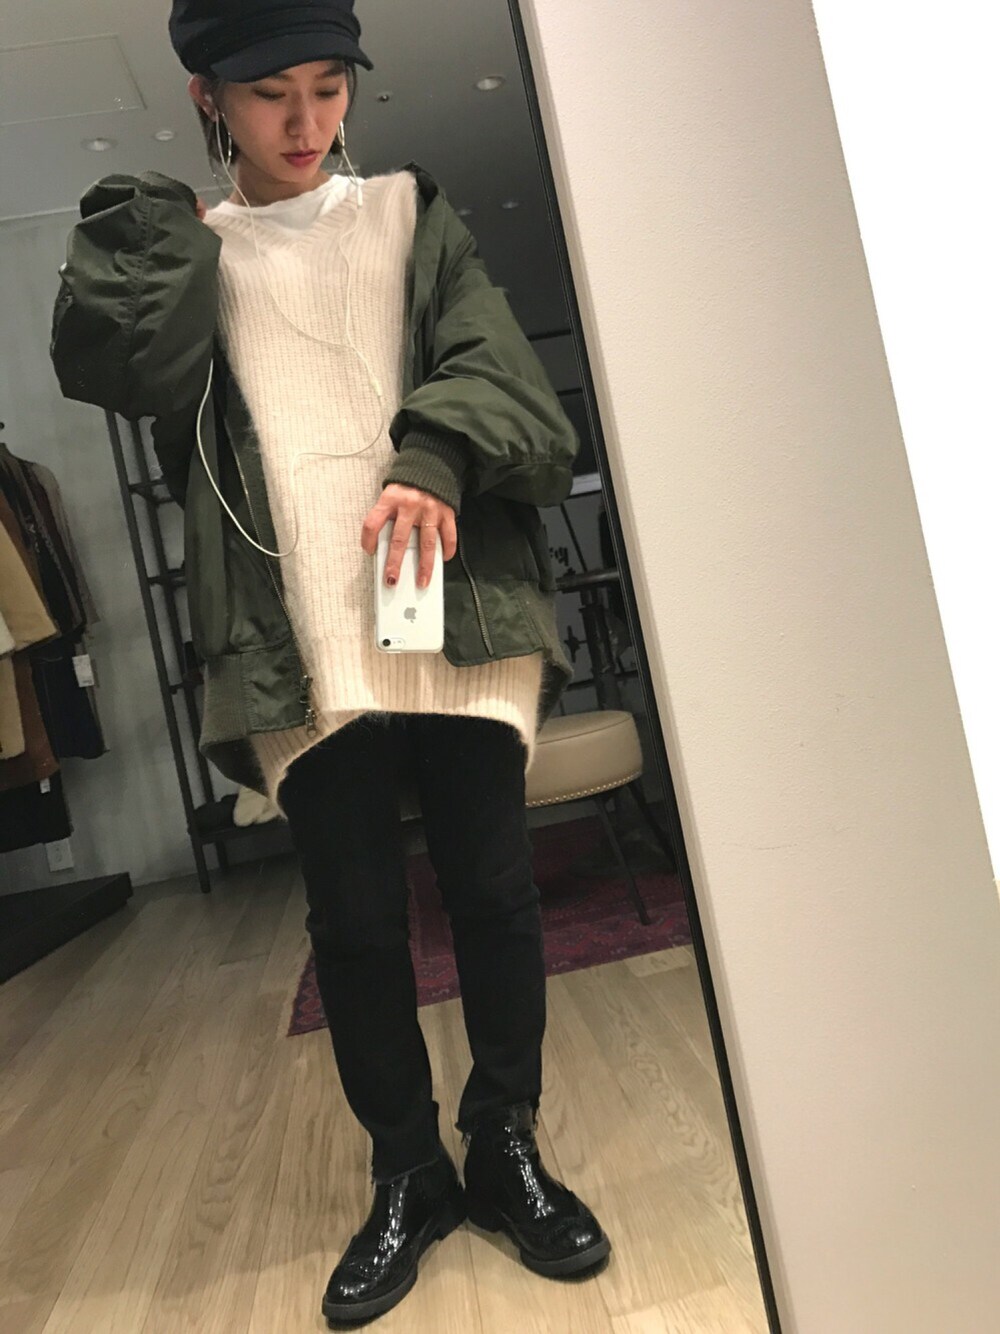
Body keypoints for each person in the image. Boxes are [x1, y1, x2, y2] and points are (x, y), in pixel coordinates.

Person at [50, 0, 611, 1324]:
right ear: (208, 98)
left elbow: (501, 377)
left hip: (449, 600)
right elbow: (116, 364)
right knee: (353, 923)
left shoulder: (413, 213)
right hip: (293, 631)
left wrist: (433, 456)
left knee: (494, 890)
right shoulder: (191, 255)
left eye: (327, 85)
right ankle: (408, 1173)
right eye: (269, 95)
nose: (306, 122)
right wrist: (165, 234)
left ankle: (507, 1146)